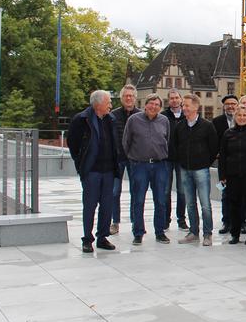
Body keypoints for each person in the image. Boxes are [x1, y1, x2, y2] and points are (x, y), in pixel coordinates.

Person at [68, 90, 120, 253]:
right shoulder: (81, 119)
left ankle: (102, 237)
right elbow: (73, 144)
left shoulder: (111, 119)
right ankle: (87, 239)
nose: (111, 105)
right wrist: (81, 163)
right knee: (89, 206)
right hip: (92, 171)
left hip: (109, 171)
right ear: (98, 104)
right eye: (108, 102)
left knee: (106, 206)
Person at [122, 93, 171, 245]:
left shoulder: (164, 121)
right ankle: (138, 232)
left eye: (157, 105)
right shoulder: (133, 120)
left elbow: (167, 140)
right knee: (138, 200)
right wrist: (133, 159)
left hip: (160, 165)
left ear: (160, 108)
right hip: (139, 165)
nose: (153, 107)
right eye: (151, 103)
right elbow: (126, 142)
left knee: (161, 200)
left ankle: (160, 231)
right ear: (145, 104)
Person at [171, 94, 218, 246]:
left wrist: (204, 162)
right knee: (190, 203)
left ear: (196, 107)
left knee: (205, 203)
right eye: (183, 105)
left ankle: (207, 234)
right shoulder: (180, 126)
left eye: (186, 105)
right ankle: (193, 232)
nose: (183, 108)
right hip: (185, 169)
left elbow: (213, 147)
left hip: (201, 170)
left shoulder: (207, 125)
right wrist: (182, 162)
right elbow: (175, 145)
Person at [219, 106, 246, 245]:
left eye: (245, 115)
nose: (242, 117)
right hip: (233, 175)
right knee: (234, 206)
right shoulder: (228, 133)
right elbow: (223, 156)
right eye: (239, 115)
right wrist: (222, 175)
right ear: (235, 118)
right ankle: (235, 234)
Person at [110, 84, 140, 235]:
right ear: (121, 98)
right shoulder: (113, 115)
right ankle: (115, 222)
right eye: (125, 96)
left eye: (131, 96)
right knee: (115, 192)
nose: (128, 98)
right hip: (117, 159)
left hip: (135, 159)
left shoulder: (141, 115)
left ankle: (135, 221)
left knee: (136, 191)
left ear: (135, 98)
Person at [213, 94, 239, 234]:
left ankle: (240, 222)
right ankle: (226, 222)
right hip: (224, 164)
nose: (231, 106)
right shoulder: (217, 122)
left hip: (241, 164)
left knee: (241, 194)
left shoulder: (244, 119)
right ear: (224, 106)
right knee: (225, 194)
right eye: (228, 104)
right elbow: (213, 141)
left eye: (233, 103)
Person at [162, 89, 188, 231]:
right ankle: (166, 220)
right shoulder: (163, 116)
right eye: (171, 98)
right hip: (166, 158)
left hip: (182, 159)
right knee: (166, 191)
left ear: (181, 99)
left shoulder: (187, 115)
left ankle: (181, 220)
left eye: (176, 97)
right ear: (168, 101)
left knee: (182, 191)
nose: (174, 100)